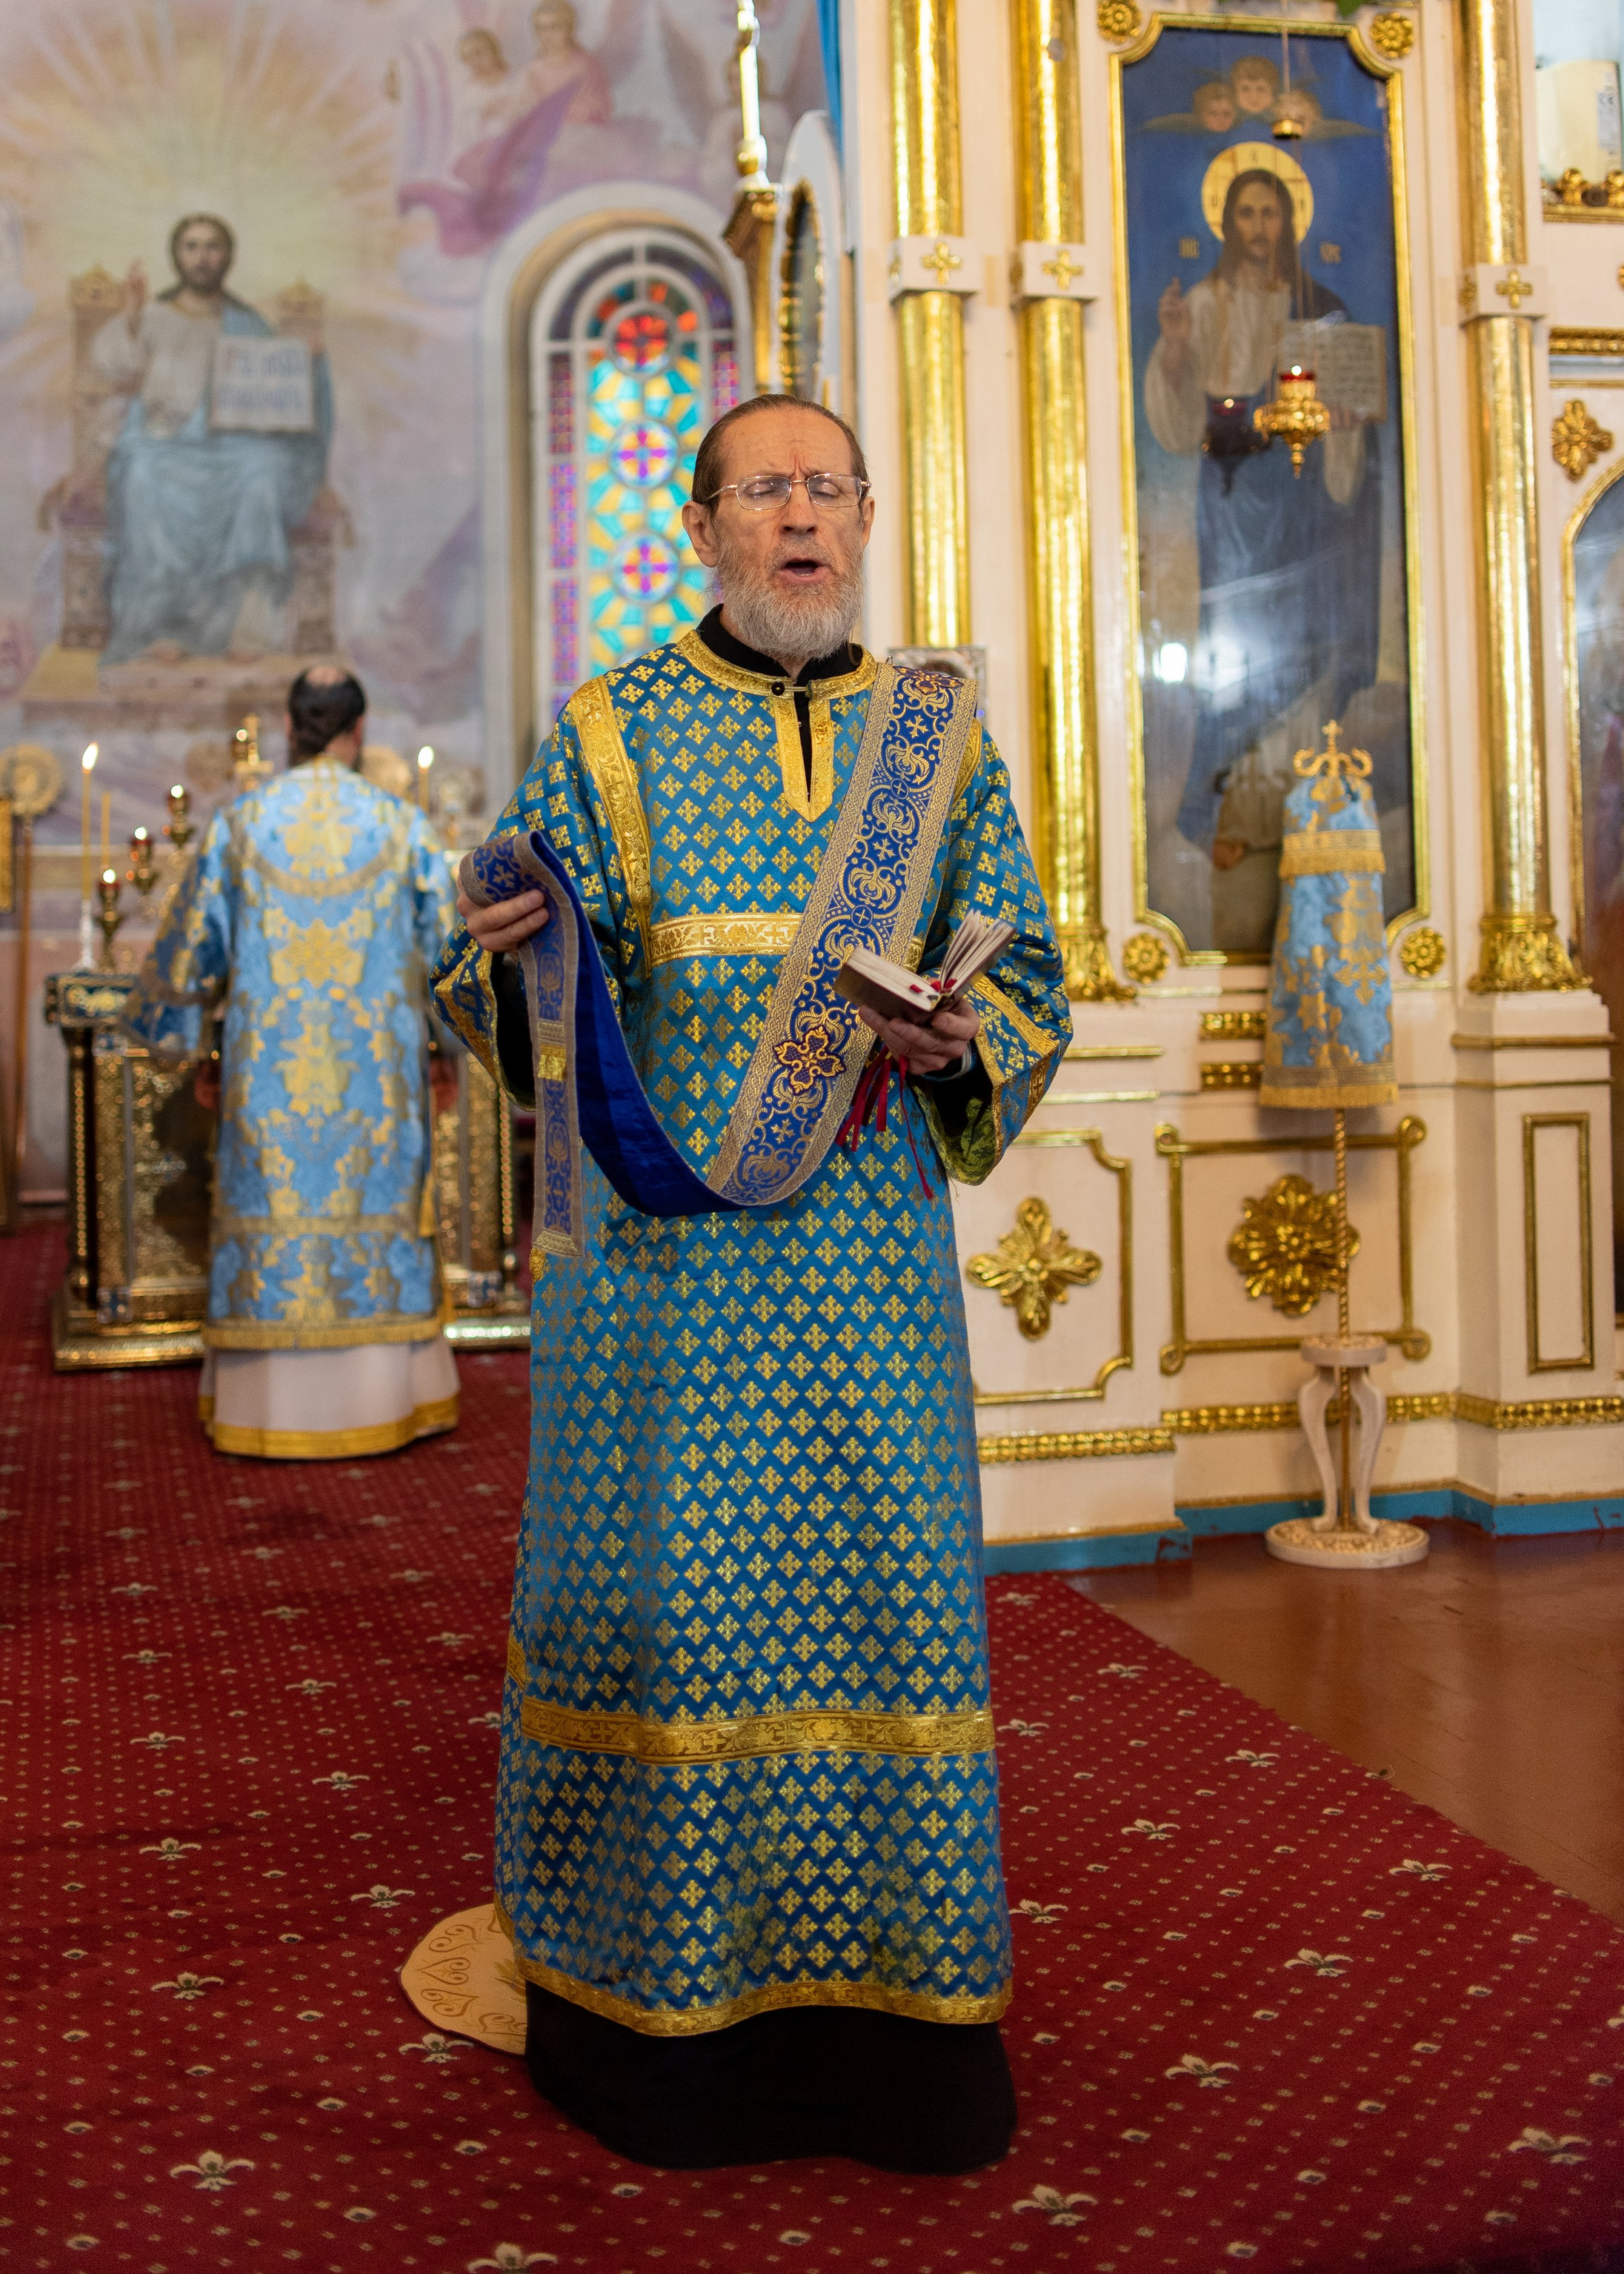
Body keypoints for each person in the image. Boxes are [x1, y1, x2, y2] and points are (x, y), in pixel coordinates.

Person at [431, 390, 1069, 2172]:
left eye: (827, 486)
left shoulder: (938, 742)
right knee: (679, 1615)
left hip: (864, 1272)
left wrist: (956, 1041)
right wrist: (500, 942)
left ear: (862, 518)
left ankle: (897, 2026)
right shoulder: (610, 726)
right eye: (763, 488)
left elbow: (1030, 975)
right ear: (699, 520)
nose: (800, 515)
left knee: (885, 1598)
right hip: (662, 1288)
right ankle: (661, 2015)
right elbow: (508, 973)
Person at [131, 664, 459, 1460]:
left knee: (273, 1197)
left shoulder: (241, 824)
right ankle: (387, 1394)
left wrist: (173, 1027)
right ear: (359, 730)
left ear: (289, 726)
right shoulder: (402, 826)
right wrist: (449, 1047)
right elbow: (450, 958)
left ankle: (267, 1403)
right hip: (372, 1084)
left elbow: (188, 960)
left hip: (273, 1080)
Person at [1144, 164, 1381, 952]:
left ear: (1288, 222)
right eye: (1243, 213)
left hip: (1305, 503)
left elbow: (1354, 418)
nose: (1256, 227)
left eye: (1268, 213)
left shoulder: (1323, 310)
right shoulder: (1204, 308)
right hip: (1234, 501)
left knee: (1303, 644)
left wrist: (1345, 423)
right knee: (1239, 647)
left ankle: (1298, 811)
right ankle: (1234, 813)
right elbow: (1182, 427)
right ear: (1225, 223)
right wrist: (1177, 354)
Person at [91, 213, 330, 665]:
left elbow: (277, 391)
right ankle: (159, 626)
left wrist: (307, 359)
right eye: (192, 246)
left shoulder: (247, 323)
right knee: (142, 474)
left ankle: (249, 627)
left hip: (232, 446)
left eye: (213, 247)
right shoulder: (154, 316)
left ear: (228, 257)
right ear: (177, 256)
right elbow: (115, 366)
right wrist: (132, 315)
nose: (203, 257)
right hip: (165, 440)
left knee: (263, 471)